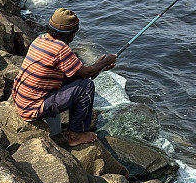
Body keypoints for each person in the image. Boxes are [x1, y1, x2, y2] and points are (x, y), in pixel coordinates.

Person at [12, 8, 117, 146]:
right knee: (86, 87)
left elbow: (80, 73)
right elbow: (85, 74)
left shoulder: (41, 39)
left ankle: (72, 128)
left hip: (21, 99)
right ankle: (76, 135)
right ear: (70, 35)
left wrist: (97, 67)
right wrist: (105, 61)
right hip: (32, 107)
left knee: (79, 77)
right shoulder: (61, 49)